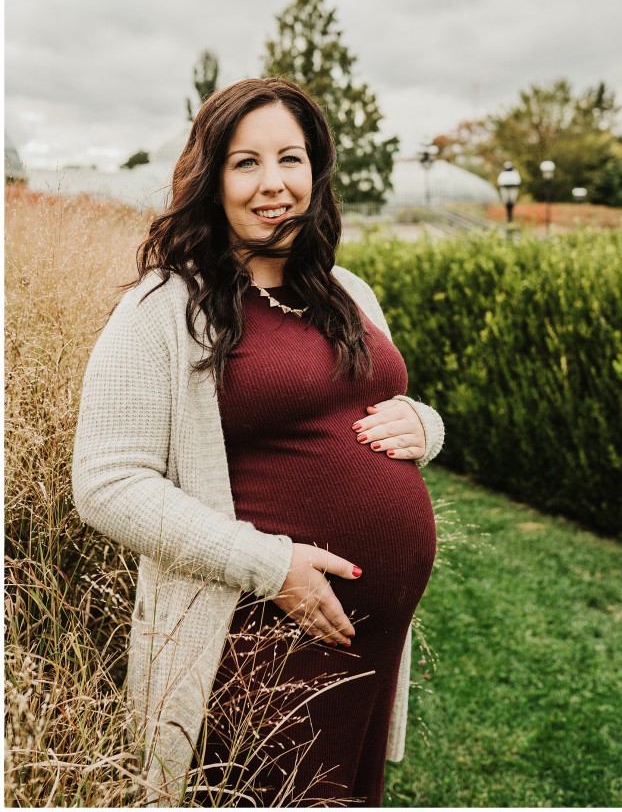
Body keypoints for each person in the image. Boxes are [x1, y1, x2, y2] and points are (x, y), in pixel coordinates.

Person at [72, 78, 444, 808]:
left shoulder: (348, 290)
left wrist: (424, 427)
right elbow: (107, 481)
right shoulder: (163, 305)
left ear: (316, 170)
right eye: (246, 163)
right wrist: (272, 568)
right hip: (256, 639)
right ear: (210, 180)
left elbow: (373, 403)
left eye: (291, 158)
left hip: (365, 644)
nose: (273, 184)